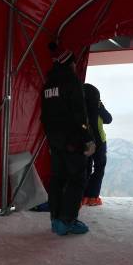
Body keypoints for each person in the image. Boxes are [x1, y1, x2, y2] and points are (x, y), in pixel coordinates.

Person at [41, 42, 96, 236]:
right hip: (73, 140)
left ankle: (56, 219)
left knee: (57, 179)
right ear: (69, 64)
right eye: (74, 64)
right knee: (77, 179)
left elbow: (44, 117)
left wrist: (51, 139)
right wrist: (88, 139)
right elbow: (80, 116)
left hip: (55, 141)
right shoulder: (71, 82)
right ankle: (68, 220)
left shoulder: (48, 85)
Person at [82, 83, 113, 206]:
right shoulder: (98, 106)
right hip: (99, 141)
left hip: (85, 141)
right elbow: (108, 119)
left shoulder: (79, 106)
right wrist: (101, 107)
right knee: (99, 168)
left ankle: (82, 196)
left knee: (86, 168)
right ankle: (93, 197)